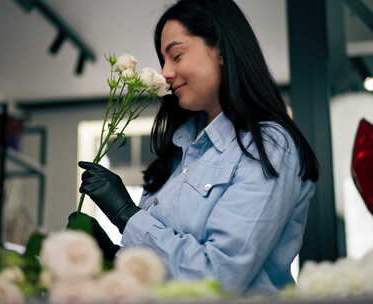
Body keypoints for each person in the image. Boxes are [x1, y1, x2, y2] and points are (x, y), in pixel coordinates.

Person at [76, 0, 319, 296]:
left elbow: (220, 276)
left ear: (220, 50)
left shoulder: (267, 146)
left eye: (176, 55)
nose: (165, 72)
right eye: (163, 60)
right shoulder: (181, 149)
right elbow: (168, 274)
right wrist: (113, 257)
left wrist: (126, 216)